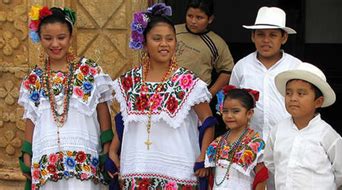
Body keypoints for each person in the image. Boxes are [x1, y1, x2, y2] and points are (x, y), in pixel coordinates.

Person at [108, 3, 216, 189]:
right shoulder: (129, 81)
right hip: (137, 166)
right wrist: (112, 151)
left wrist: (204, 156)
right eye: (157, 39)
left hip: (177, 169)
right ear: (144, 41)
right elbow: (123, 121)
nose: (164, 44)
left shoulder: (187, 82)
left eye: (170, 39)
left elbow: (207, 120)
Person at [18, 5, 113, 189]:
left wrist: (107, 146)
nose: (55, 44)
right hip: (46, 159)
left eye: (61, 37)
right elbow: (31, 118)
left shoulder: (89, 70)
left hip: (84, 156)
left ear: (71, 37)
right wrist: (27, 152)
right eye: (48, 38)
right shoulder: (34, 77)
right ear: (39, 38)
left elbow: (103, 110)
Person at [264, 62, 342, 189]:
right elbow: (271, 162)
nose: (293, 98)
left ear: (318, 102)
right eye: (289, 93)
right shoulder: (278, 130)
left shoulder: (326, 134)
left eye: (301, 93)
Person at [229, 6, 302, 141]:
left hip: (287, 140)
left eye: (273, 35)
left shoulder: (295, 67)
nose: (266, 40)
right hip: (249, 142)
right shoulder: (242, 67)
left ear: (284, 37)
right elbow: (231, 104)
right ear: (253, 36)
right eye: (261, 34)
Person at [205, 86, 267, 190]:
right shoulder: (216, 143)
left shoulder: (255, 144)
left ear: (249, 113)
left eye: (235, 111)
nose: (229, 115)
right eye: (225, 111)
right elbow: (212, 178)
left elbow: (261, 178)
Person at [175, 0, 234, 97]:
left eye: (199, 17)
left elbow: (227, 71)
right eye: (190, 16)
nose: (193, 21)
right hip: (165, 91)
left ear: (210, 19)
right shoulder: (173, 31)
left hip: (195, 97)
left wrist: (209, 94)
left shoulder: (217, 43)